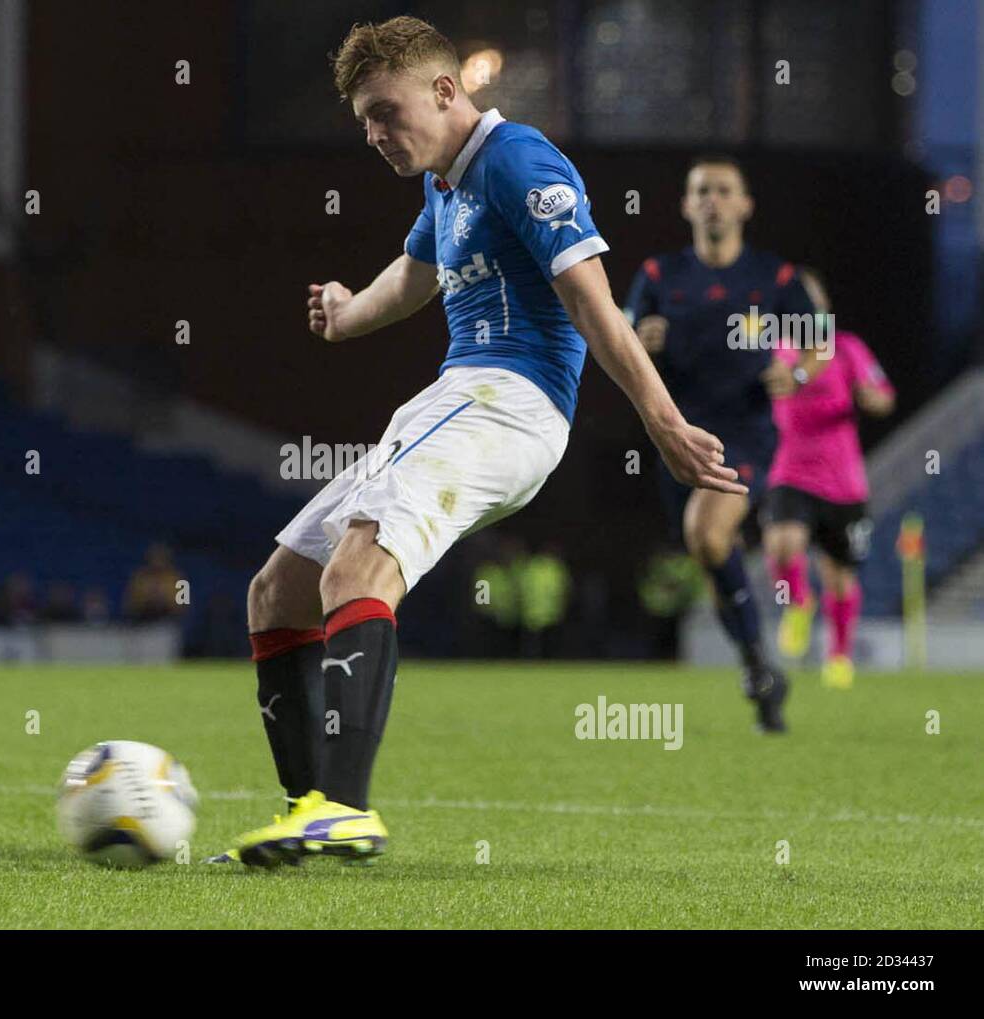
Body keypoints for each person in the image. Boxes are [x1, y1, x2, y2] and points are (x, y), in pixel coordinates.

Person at [220, 16, 745, 868]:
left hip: (510, 401)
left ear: (444, 90)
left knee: (359, 566)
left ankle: (343, 809)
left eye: (386, 113)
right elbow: (416, 275)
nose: (377, 136)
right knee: (279, 591)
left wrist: (662, 419)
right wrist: (350, 311)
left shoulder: (518, 161)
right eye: (363, 123)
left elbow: (592, 303)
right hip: (453, 401)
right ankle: (307, 811)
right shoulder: (446, 181)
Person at [624, 153, 816, 733]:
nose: (712, 199)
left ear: (744, 205)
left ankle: (759, 663)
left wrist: (799, 373)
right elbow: (619, 343)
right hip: (677, 435)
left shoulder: (775, 277)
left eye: (723, 189)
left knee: (707, 534)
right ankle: (760, 667)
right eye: (701, 190)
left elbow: (818, 343)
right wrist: (639, 339)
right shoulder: (658, 277)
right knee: (711, 558)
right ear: (687, 205)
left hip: (746, 432)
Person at [761, 268, 895, 689]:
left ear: (823, 307)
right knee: (782, 544)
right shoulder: (779, 349)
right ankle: (799, 603)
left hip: (843, 481)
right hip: (792, 470)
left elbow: (883, 396)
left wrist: (871, 398)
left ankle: (838, 656)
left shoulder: (848, 349)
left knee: (840, 575)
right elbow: (767, 383)